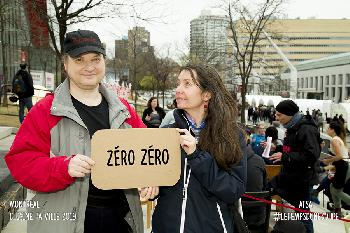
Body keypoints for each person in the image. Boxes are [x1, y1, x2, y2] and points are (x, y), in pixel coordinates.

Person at [5, 29, 157, 233]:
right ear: (66, 64)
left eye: (95, 59)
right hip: (64, 222)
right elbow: (21, 163)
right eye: (79, 60)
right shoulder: (46, 111)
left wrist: (150, 180)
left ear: (104, 62)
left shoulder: (125, 110)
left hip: (121, 219)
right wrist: (63, 167)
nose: (89, 67)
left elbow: (148, 155)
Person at [152, 63, 247, 233]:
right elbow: (161, 182)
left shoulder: (231, 135)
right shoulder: (168, 133)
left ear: (207, 94)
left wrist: (197, 156)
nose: (178, 89)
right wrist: (153, 188)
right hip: (166, 226)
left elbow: (234, 189)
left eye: (187, 84)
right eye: (178, 83)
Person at [269, 99, 321, 233]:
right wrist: (277, 148)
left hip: (303, 179)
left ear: (289, 114)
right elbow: (292, 148)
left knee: (303, 214)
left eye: (279, 115)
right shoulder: (293, 127)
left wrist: (284, 157)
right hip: (292, 177)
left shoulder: (306, 128)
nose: (276, 117)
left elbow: (311, 156)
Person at [323, 120, 350, 216]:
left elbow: (339, 156)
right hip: (342, 165)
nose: (327, 129)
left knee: (337, 190)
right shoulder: (338, 139)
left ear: (332, 129)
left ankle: (339, 209)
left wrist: (328, 161)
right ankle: (337, 209)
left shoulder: (334, 140)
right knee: (332, 187)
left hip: (343, 166)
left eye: (328, 128)